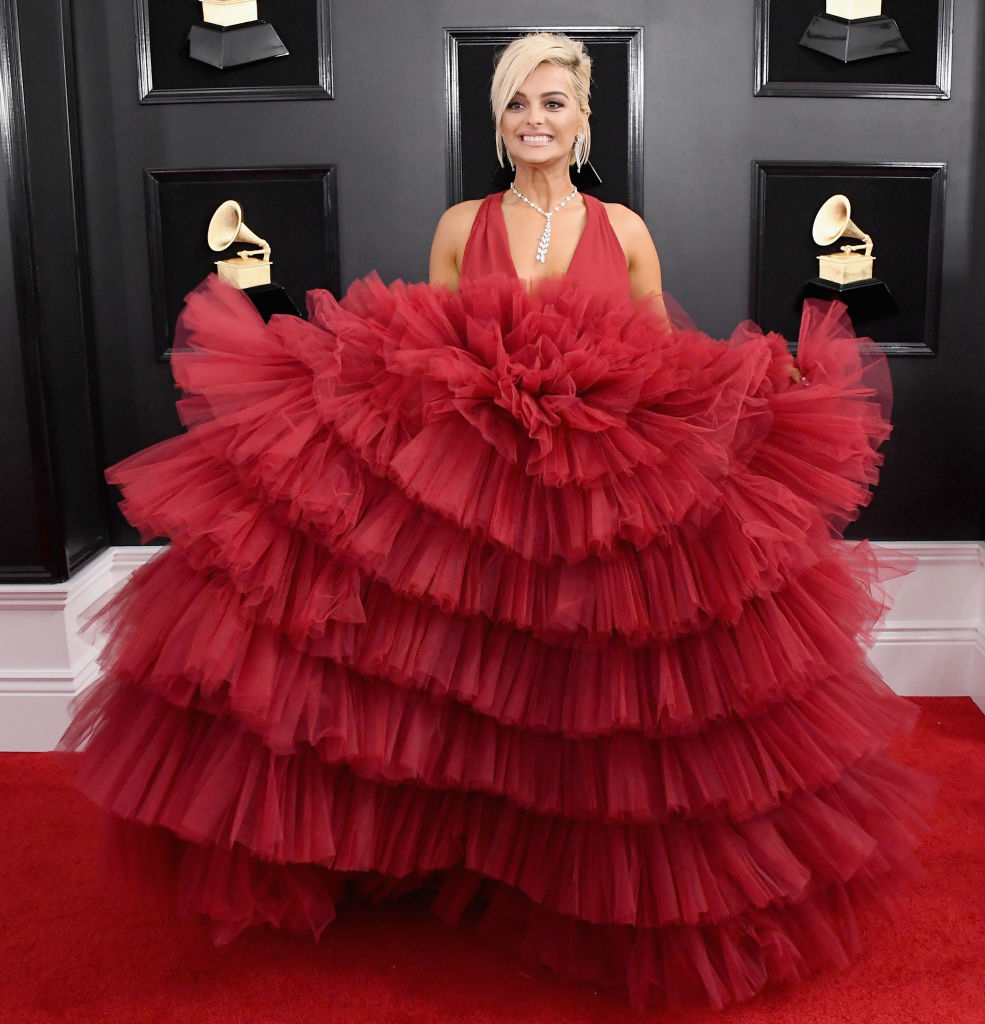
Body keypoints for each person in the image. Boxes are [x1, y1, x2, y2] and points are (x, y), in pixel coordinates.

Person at [63, 31, 928, 1010]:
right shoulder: (459, 223)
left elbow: (663, 358)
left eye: (553, 102)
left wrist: (762, 378)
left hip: (597, 487)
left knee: (592, 690)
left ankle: (584, 880)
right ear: (498, 121)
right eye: (517, 104)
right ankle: (445, 849)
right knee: (452, 682)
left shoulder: (626, 229)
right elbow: (420, 353)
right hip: (477, 488)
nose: (535, 120)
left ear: (584, 118)